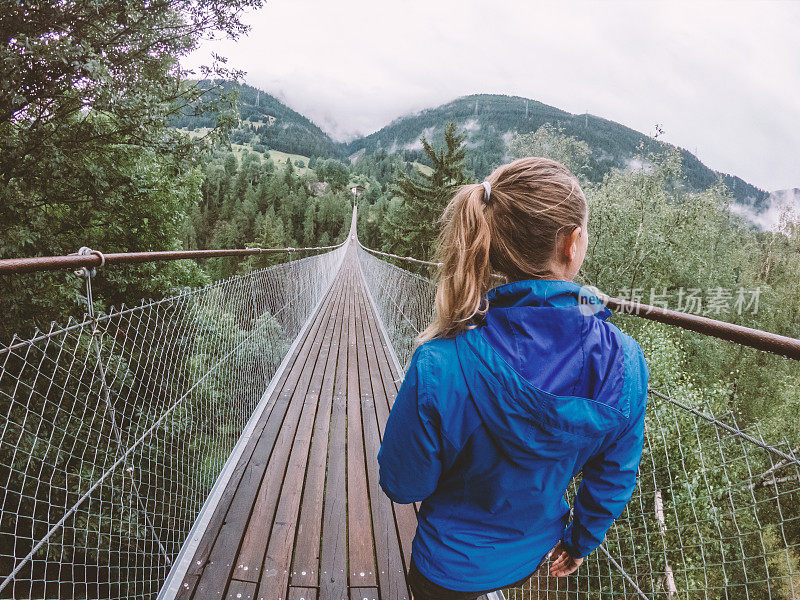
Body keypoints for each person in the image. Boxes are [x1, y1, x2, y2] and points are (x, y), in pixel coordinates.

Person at [377, 157, 649, 600]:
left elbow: (404, 484)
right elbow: (613, 474)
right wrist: (581, 542)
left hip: (446, 569)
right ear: (572, 244)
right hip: (528, 558)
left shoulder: (439, 363)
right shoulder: (625, 363)